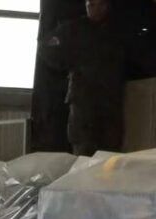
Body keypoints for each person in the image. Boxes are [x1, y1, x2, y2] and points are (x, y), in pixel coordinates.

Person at [40, 0, 126, 156]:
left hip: (109, 98)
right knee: (83, 146)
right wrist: (69, 63)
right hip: (82, 97)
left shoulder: (116, 31)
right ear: (86, 6)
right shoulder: (73, 29)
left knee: (110, 148)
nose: (96, 9)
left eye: (100, 5)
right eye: (91, 5)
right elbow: (46, 47)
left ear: (107, 6)